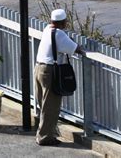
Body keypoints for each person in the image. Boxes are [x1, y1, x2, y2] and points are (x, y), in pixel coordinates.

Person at [34, 9, 84, 146]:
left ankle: (44, 133)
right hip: (49, 71)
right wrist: (81, 47)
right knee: (51, 106)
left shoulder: (47, 29)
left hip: (38, 68)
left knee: (43, 104)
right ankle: (45, 138)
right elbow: (75, 48)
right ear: (63, 22)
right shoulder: (59, 34)